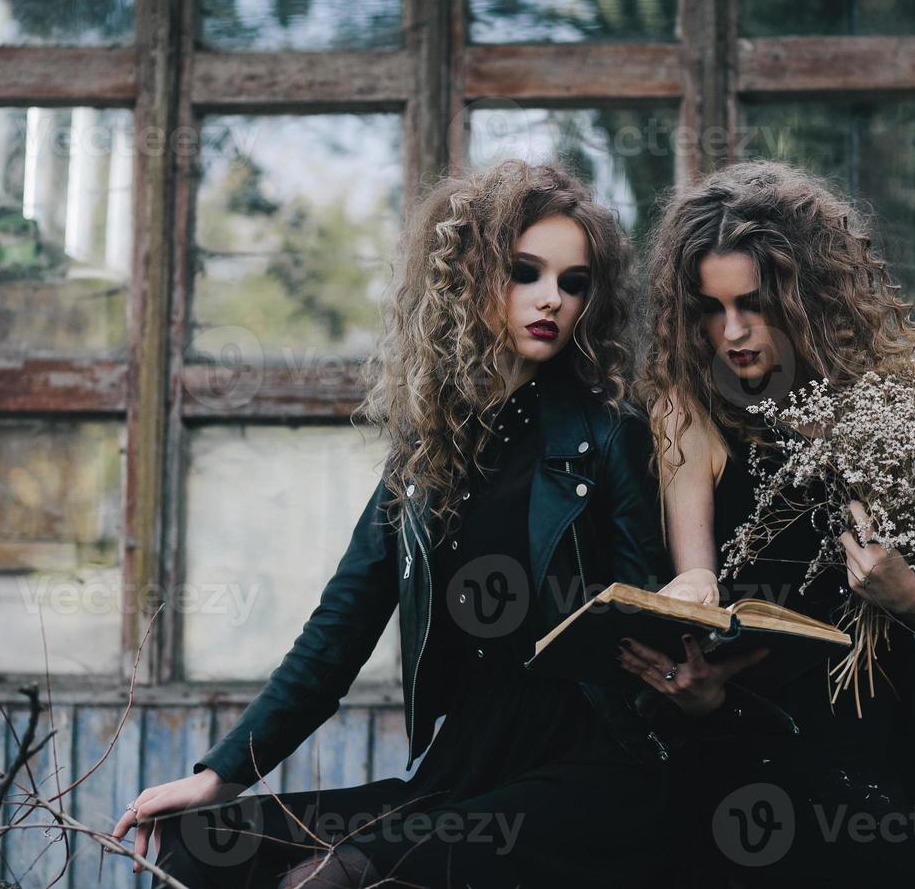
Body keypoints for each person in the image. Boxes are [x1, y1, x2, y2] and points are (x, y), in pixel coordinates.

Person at [112, 160, 677, 888]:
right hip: (465, 761)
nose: (551, 300)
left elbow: (649, 610)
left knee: (337, 877)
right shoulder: (428, 454)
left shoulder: (607, 436)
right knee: (204, 845)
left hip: (585, 768)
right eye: (525, 272)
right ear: (469, 278)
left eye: (573, 283)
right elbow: (338, 632)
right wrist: (222, 774)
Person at [623, 160, 915, 887]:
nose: (732, 330)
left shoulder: (901, 403)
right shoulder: (689, 406)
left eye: (753, 304)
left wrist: (900, 590)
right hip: (760, 732)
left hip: (887, 722)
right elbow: (695, 564)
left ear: (808, 297)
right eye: (710, 308)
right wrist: (691, 597)